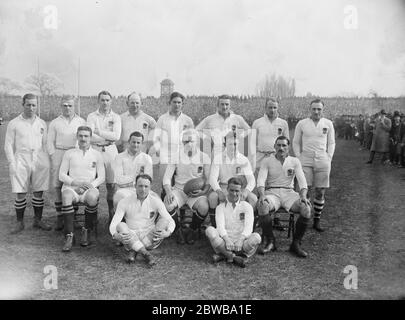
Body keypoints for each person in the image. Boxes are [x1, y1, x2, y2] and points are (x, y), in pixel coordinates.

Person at [256, 136, 312, 257]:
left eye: (284, 145)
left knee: (306, 208)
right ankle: (271, 241)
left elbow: (302, 181)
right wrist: (262, 195)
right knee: (263, 206)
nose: (281, 148)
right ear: (274, 147)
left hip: (289, 193)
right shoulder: (267, 161)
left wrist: (303, 195)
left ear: (288, 147)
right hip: (272, 192)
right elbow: (261, 180)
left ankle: (296, 244)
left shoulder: (294, 161)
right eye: (279, 145)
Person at [4, 93, 51, 234]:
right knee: (20, 191)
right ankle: (20, 222)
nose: (31, 107)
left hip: (39, 157)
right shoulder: (14, 123)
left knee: (39, 191)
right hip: (21, 158)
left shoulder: (42, 123)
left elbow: (45, 144)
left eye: (34, 105)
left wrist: (47, 160)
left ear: (37, 106)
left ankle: (38, 220)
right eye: (28, 104)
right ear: (23, 104)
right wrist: (12, 162)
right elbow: (8, 145)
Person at [109, 174, 176, 267]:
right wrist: (116, 235)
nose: (143, 189)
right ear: (135, 186)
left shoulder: (156, 201)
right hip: (131, 235)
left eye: (146, 186)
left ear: (150, 187)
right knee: (120, 225)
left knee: (164, 221)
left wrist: (168, 233)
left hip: (149, 236)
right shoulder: (124, 201)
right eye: (140, 186)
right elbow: (114, 224)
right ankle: (147, 254)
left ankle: (134, 250)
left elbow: (170, 220)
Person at [59, 126, 105, 252]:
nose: (83, 138)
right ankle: (69, 235)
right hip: (72, 187)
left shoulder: (97, 154)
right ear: (77, 137)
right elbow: (61, 175)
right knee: (66, 196)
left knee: (92, 197)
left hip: (89, 188)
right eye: (80, 136)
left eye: (86, 136)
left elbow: (101, 177)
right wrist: (76, 183)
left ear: (90, 138)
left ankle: (86, 231)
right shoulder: (69, 153)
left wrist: (89, 186)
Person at [293, 99, 335, 232]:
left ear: (323, 110)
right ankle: (305, 216)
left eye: (319, 109)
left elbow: (332, 143)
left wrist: (329, 157)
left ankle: (317, 220)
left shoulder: (328, 123)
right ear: (310, 109)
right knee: (305, 189)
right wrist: (299, 157)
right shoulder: (302, 123)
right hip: (305, 159)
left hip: (322, 159)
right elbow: (295, 142)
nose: (316, 111)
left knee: (320, 191)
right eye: (314, 109)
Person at [162, 129, 211, 244]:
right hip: (179, 190)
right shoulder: (176, 156)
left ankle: (192, 230)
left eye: (191, 141)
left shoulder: (204, 157)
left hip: (195, 193)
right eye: (185, 141)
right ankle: (178, 230)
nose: (188, 144)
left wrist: (203, 192)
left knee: (204, 207)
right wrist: (169, 192)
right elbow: (166, 178)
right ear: (181, 143)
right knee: (168, 204)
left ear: (197, 141)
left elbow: (209, 179)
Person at [47, 95, 86, 230]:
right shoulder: (55, 122)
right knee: (57, 186)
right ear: (61, 106)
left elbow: (85, 138)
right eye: (64, 105)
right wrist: (53, 156)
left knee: (72, 184)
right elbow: (49, 142)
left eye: (70, 105)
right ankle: (60, 217)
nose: (67, 108)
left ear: (74, 106)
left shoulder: (81, 121)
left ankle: (72, 216)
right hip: (59, 152)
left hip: (74, 154)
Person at [205, 177, 261, 268]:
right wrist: (227, 240)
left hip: (241, 243)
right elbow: (220, 227)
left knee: (257, 237)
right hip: (225, 242)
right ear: (227, 189)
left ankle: (224, 255)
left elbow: (249, 227)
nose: (234, 194)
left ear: (241, 191)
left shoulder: (247, 206)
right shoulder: (221, 206)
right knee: (209, 230)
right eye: (231, 190)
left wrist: (241, 240)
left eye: (237, 191)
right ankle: (233, 257)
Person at [208, 130, 258, 227]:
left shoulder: (243, 159)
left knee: (253, 198)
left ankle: (248, 229)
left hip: (239, 189)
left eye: (235, 144)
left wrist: (246, 192)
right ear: (225, 144)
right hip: (223, 187)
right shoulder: (218, 158)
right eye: (230, 144)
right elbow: (212, 178)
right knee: (212, 197)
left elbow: (252, 180)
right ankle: (216, 227)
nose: (233, 146)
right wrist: (219, 192)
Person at [87, 90, 121, 223]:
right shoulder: (91, 116)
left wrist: (99, 132)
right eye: (102, 100)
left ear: (111, 101)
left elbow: (116, 136)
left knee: (111, 185)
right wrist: (107, 136)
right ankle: (92, 215)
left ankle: (112, 215)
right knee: (94, 184)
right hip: (95, 151)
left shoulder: (116, 117)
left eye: (107, 100)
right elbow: (90, 135)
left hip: (110, 151)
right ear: (98, 101)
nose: (105, 102)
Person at [151, 92, 194, 182]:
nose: (177, 105)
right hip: (166, 156)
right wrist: (160, 152)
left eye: (179, 102)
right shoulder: (162, 119)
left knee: (181, 182)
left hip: (182, 156)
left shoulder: (188, 120)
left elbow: (191, 140)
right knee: (166, 183)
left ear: (182, 104)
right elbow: (156, 138)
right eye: (174, 102)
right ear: (169, 103)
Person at [195, 94, 250, 158]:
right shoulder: (210, 119)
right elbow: (196, 130)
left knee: (231, 167)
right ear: (217, 105)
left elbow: (249, 130)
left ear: (230, 106)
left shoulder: (237, 118)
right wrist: (208, 139)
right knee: (215, 168)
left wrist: (238, 137)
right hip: (216, 152)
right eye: (222, 104)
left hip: (232, 151)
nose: (224, 107)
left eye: (227, 104)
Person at [113, 131, 153, 208]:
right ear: (129, 142)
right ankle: (121, 219)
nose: (135, 145)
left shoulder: (147, 158)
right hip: (123, 190)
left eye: (138, 142)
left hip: (142, 189)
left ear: (142, 144)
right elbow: (118, 180)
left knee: (155, 201)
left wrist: (128, 182)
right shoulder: (119, 157)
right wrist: (136, 176)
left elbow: (148, 180)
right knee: (120, 198)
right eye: (133, 142)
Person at [251, 97, 289, 171]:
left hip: (276, 157)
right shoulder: (257, 123)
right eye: (270, 107)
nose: (272, 110)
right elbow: (252, 143)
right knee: (260, 182)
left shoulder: (283, 123)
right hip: (260, 158)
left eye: (275, 107)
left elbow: (287, 143)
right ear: (265, 108)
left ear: (278, 108)